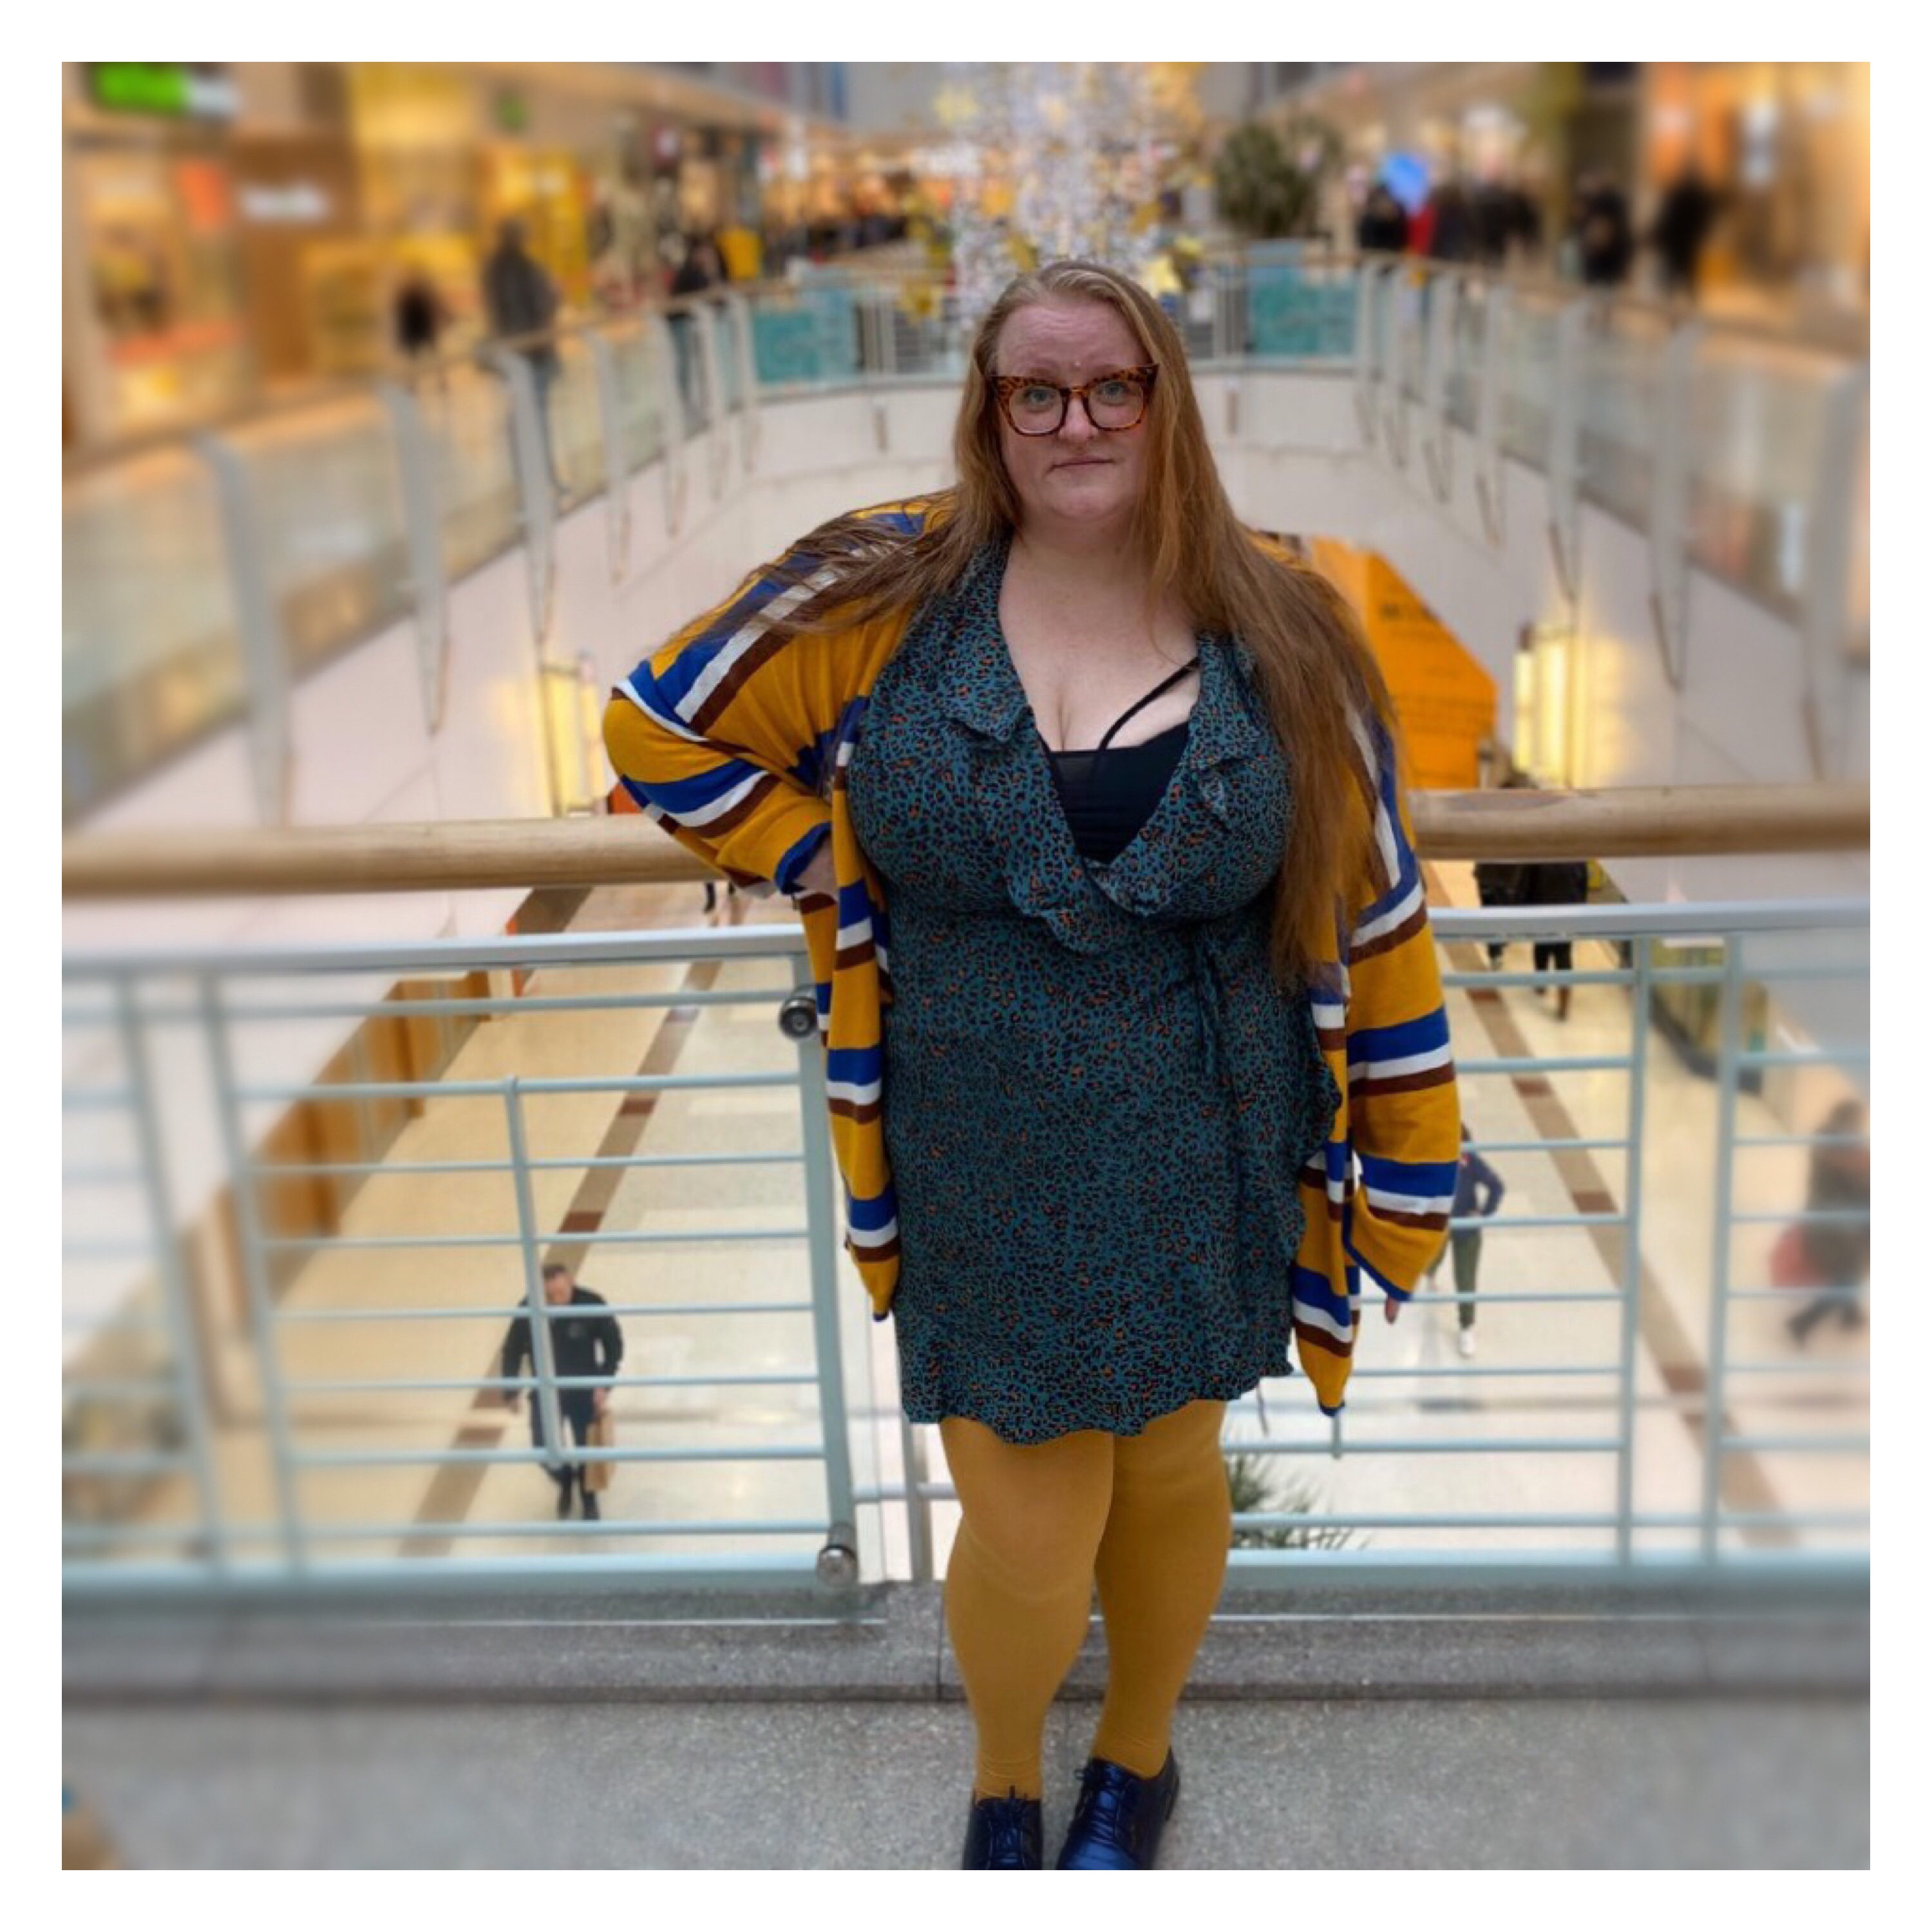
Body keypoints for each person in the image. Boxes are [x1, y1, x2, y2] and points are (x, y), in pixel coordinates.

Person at [603, 258, 1459, 1871]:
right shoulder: (873, 599)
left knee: (1175, 1464)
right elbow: (657, 727)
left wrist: (1405, 1161)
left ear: (1164, 404)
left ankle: (1134, 1761)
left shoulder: (1284, 625)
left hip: (1206, 1143)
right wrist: (813, 859)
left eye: (1114, 386)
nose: (1078, 422)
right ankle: (1006, 1776)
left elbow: (1376, 898)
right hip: (975, 1151)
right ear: (988, 415)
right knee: (1026, 1524)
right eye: (1038, 392)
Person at [500, 1262, 623, 1521]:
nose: (557, 1300)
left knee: (587, 1446)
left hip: (583, 1390)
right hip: (546, 1391)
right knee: (543, 1448)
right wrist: (511, 1391)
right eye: (551, 1295)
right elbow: (512, 1350)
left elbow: (614, 1347)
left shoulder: (592, 1304)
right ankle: (566, 1479)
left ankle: (588, 1495)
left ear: (571, 1282)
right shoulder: (529, 1309)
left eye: (562, 1293)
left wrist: (604, 1383)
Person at [482, 215, 564, 491]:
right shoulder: (520, 269)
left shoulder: (498, 270)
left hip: (519, 352)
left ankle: (531, 478)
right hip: (531, 352)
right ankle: (539, 477)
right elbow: (541, 304)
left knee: (523, 417)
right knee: (533, 417)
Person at [1785, 1099, 1870, 1345]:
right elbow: (1861, 1177)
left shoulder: (1830, 1141)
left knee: (1849, 1270)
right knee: (1849, 1274)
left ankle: (1850, 1314)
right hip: (1837, 1226)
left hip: (1831, 1220)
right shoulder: (1839, 1143)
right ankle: (1803, 1323)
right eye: (1857, 1121)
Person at [1424, 1126, 1505, 1357]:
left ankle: (1466, 1326)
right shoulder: (1431, 1161)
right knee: (1432, 1256)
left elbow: (1497, 1186)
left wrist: (1484, 1213)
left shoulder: (1471, 1163)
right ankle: (1429, 1273)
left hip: (1466, 1230)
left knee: (1466, 1279)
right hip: (1439, 1225)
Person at [1521, 857, 1591, 1019]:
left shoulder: (1539, 858)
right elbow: (1583, 887)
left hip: (1543, 909)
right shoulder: (1578, 859)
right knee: (1563, 953)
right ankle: (1564, 1000)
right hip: (1567, 912)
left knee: (1542, 947)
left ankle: (1541, 983)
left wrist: (1525, 909)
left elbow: (1528, 886)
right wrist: (1580, 910)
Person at [1649, 163, 1722, 303]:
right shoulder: (1697, 196)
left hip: (1677, 240)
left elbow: (1668, 216)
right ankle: (1687, 301)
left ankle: (1673, 301)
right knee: (1686, 274)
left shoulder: (1679, 193)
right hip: (1687, 241)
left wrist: (1660, 234)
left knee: (1675, 273)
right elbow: (1704, 219)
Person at [668, 234, 722, 424]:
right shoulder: (690, 273)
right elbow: (708, 295)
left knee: (694, 363)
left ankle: (696, 404)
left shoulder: (697, 272)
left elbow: (715, 298)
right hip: (682, 324)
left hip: (691, 325)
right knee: (685, 365)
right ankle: (685, 405)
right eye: (705, 253)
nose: (708, 257)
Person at [393, 263, 447, 392]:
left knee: (431, 358)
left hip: (423, 330)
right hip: (415, 332)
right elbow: (402, 317)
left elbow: (432, 310)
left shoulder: (417, 294)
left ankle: (439, 381)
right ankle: (414, 384)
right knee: (415, 360)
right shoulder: (407, 295)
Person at [1356, 183, 1411, 256]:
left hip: (1394, 256)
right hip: (1374, 256)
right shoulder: (1368, 222)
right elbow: (1367, 247)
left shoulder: (1397, 218)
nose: (1385, 205)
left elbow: (1400, 244)